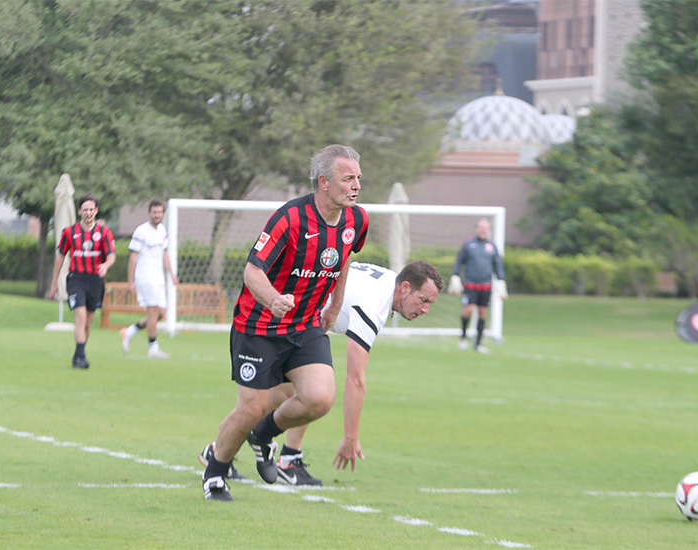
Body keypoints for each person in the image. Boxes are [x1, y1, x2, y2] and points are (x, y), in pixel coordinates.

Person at [200, 144, 368, 502]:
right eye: (348, 179)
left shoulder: (356, 220)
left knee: (320, 398)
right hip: (259, 325)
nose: (356, 186)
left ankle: (261, 436)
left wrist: (335, 305)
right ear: (323, 182)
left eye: (358, 178)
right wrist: (274, 299)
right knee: (251, 408)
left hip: (306, 325)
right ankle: (215, 472)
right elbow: (252, 271)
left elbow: (344, 259)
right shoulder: (289, 219)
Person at [199, 260, 444, 485]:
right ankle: (268, 446)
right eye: (423, 300)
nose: (425, 310)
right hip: (282, 317)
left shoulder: (390, 282)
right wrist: (350, 437)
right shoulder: (375, 304)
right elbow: (355, 379)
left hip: (300, 318)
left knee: (294, 393)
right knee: (302, 395)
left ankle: (227, 450)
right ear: (405, 287)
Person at [49, 194, 117, 369]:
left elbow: (111, 255)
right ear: (80, 211)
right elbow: (60, 257)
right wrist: (54, 283)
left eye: (91, 209)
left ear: (96, 211)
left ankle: (79, 354)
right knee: (80, 316)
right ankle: (80, 358)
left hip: (95, 280)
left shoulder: (104, 232)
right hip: (76, 279)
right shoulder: (69, 232)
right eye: (85, 209)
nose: (88, 212)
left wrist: (106, 265)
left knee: (88, 321)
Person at [120, 200, 179, 358]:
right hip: (145, 276)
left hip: (159, 276)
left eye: (159, 212)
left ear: (163, 214)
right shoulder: (141, 231)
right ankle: (153, 348)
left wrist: (172, 275)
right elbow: (133, 257)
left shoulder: (162, 230)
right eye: (154, 212)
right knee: (153, 311)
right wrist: (130, 281)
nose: (156, 215)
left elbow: (164, 254)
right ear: (149, 213)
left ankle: (129, 332)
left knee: (160, 313)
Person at [448, 218, 507, 353]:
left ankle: (478, 343)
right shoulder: (468, 244)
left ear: (489, 230)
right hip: (471, 283)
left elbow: (497, 265)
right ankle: (463, 336)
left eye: (486, 228)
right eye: (481, 227)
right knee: (468, 310)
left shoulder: (492, 246)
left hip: (485, 285)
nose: (483, 230)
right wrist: (455, 275)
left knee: (482, 313)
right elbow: (459, 261)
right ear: (476, 229)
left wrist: (501, 280)